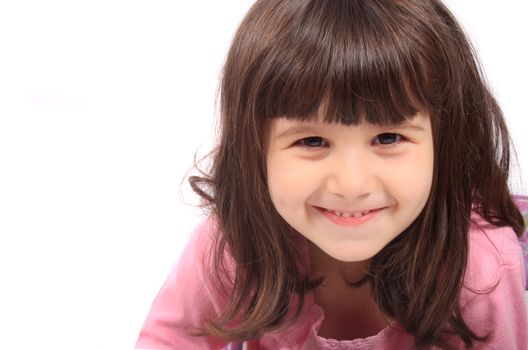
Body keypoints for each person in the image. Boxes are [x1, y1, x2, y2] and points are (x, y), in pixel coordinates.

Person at [135, 0, 527, 348]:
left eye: (388, 137)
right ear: (255, 149)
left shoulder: (480, 267)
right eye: (311, 141)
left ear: (446, 141)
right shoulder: (234, 244)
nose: (352, 185)